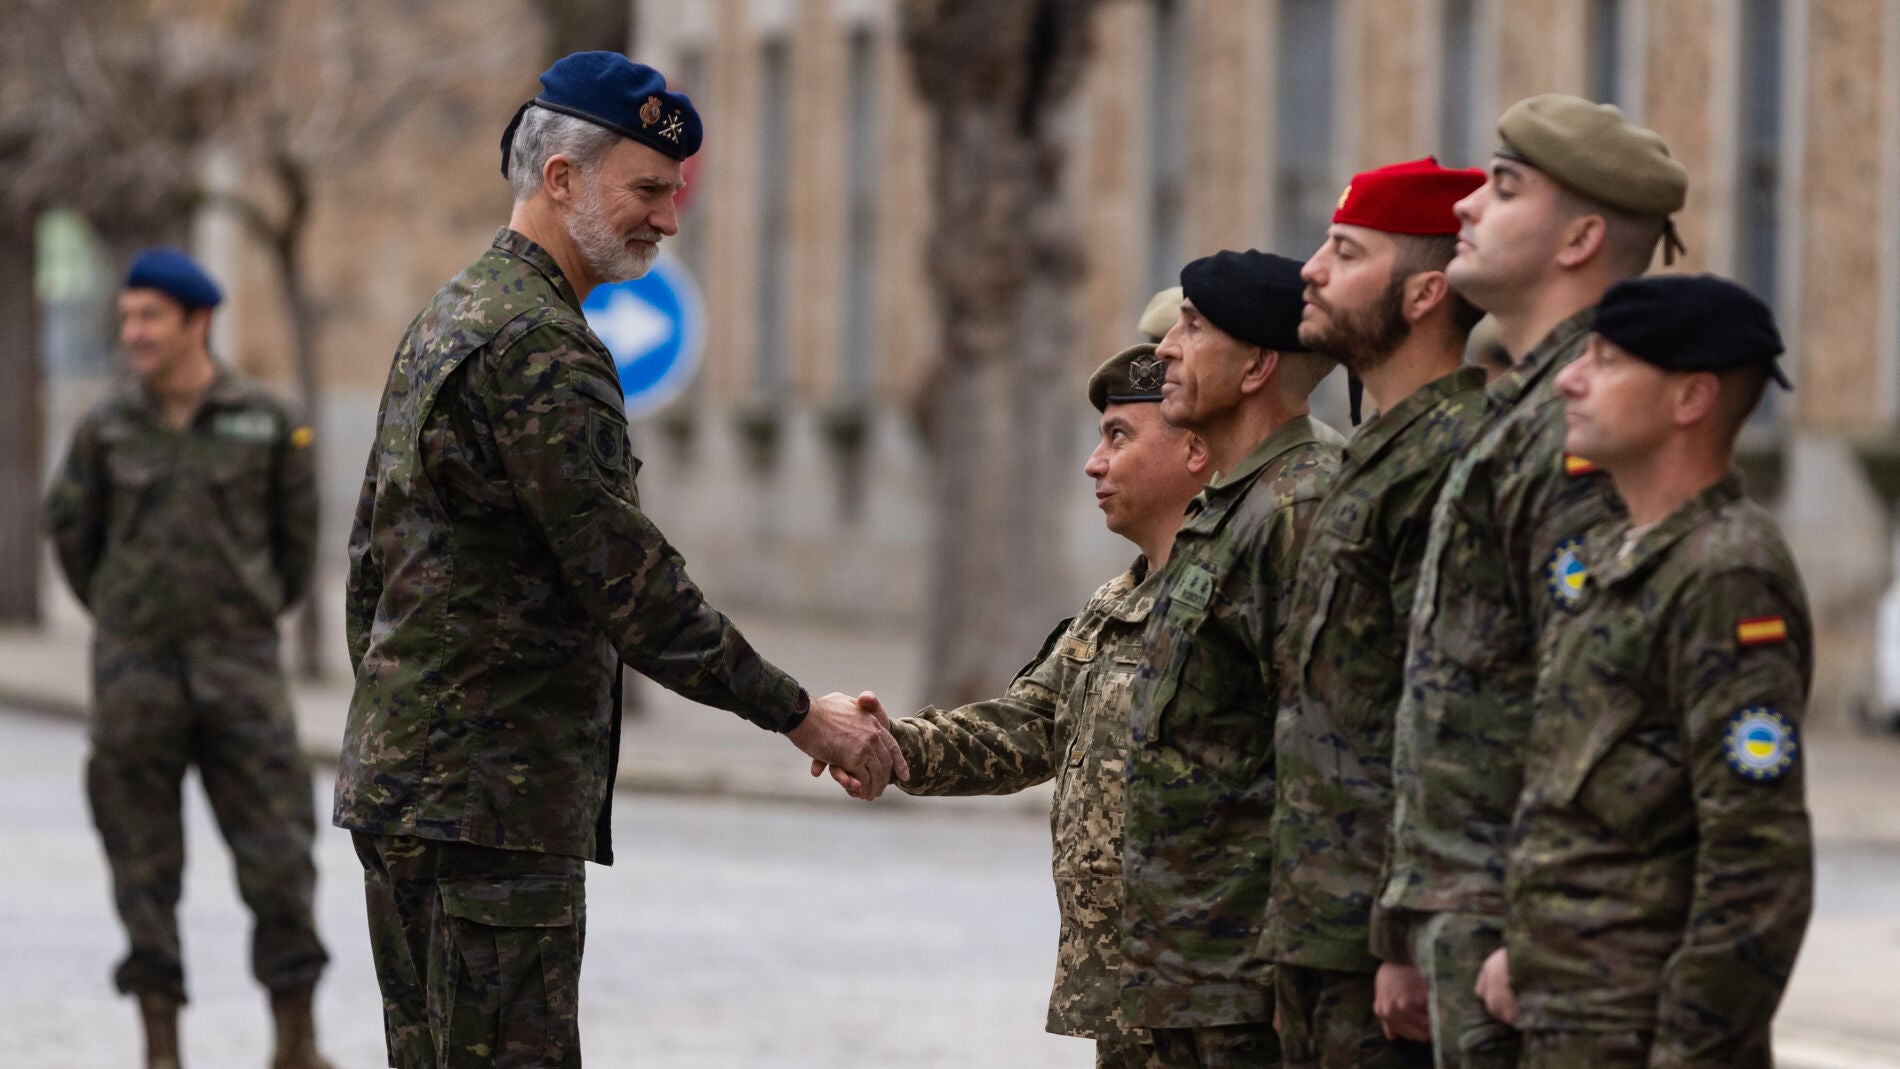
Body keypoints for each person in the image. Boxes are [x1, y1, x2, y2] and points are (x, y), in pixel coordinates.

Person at [334, 52, 904, 1068]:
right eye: (646, 190)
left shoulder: (451, 314)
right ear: (561, 179)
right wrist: (798, 710)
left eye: (673, 193)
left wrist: (406, 720)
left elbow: (369, 568)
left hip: (416, 788)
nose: (667, 219)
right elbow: (631, 587)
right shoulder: (539, 346)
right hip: (490, 808)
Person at [1377, 94, 1688, 1069]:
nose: (1466, 206)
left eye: (1503, 189)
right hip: (1473, 925)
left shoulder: (1584, 426)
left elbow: (1601, 699)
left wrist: (1539, 922)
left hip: (1530, 943)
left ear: (1582, 237)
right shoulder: (1526, 409)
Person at [824, 342, 1204, 1068]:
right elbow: (1024, 726)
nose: (1094, 462)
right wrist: (888, 744)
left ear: (1193, 448)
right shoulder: (1115, 602)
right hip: (1128, 990)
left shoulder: (1229, 595)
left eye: (1118, 436)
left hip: (1206, 985)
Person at [1495, 275, 1812, 1068]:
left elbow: (1757, 862)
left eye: (1604, 361)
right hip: (1566, 1021)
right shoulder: (1617, 556)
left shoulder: (1725, 574)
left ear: (1690, 398)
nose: (1569, 376)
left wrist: (1693, 1048)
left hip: (1640, 1035)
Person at [44, 247, 334, 1069]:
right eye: (127, 316)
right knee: (141, 865)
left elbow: (295, 546)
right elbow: (73, 537)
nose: (133, 332)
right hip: (134, 680)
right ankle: (160, 1047)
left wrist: (238, 618)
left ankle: (295, 1043)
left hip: (242, 676)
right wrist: (129, 616)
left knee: (280, 857)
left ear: (196, 321)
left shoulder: (267, 420)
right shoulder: (106, 426)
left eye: (149, 317)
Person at [1265, 158, 1489, 1069]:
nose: (1312, 268)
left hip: (1380, 947)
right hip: (1322, 928)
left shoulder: (1450, 457)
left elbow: (1445, 713)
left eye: (1346, 251)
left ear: (1425, 292)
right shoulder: (1371, 453)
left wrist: (1405, 934)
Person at [1121, 250, 1342, 1068]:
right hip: (1189, 972)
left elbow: (1326, 747)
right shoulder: (1233, 502)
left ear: (1256, 365)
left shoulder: (1301, 505)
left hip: (1252, 985)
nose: (1167, 348)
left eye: (1193, 326)